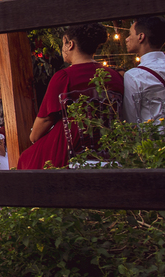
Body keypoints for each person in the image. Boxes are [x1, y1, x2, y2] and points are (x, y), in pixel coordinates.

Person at [18, 23, 124, 170]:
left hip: (71, 146)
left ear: (70, 44)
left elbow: (46, 119)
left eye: (63, 44)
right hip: (105, 144)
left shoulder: (64, 76)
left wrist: (33, 137)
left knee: (27, 157)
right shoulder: (114, 76)